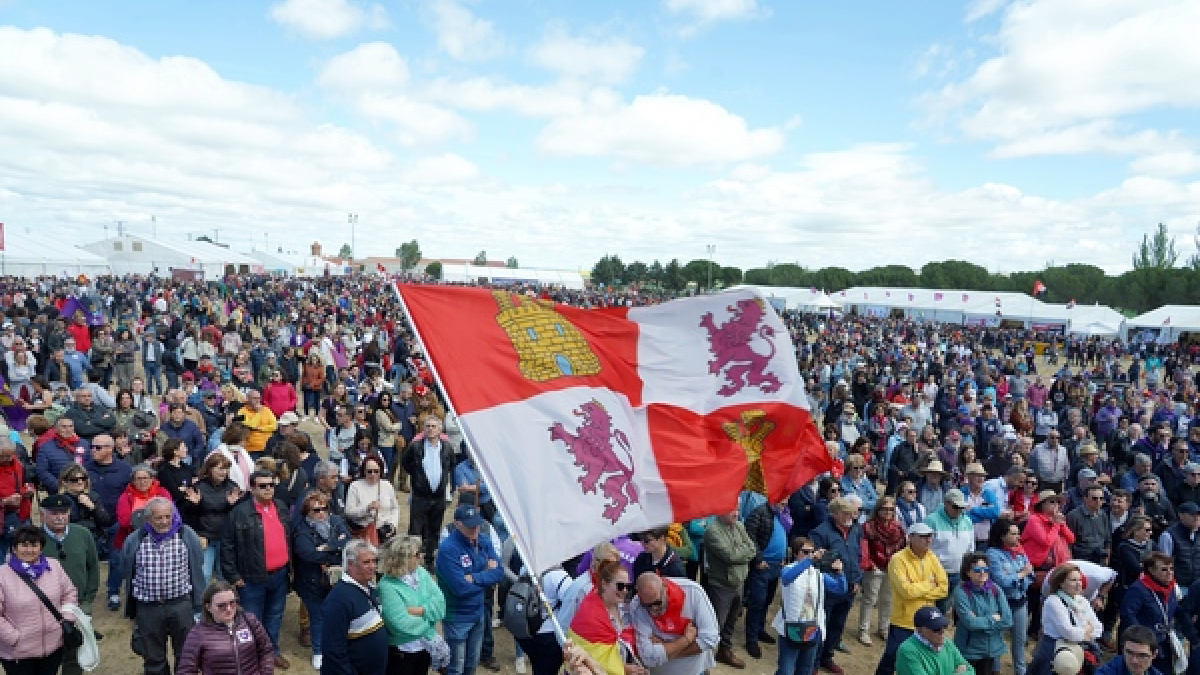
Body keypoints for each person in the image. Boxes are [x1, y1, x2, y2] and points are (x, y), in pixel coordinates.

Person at [122, 497, 207, 675]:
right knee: (153, 658)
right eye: (158, 518)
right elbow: (128, 570)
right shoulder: (135, 540)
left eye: (168, 517)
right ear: (148, 519)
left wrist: (198, 603)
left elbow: (197, 566)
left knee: (186, 655)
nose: (164, 522)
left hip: (180, 604)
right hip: (148, 608)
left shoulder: (186, 535)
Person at [220, 470, 293, 670]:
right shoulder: (239, 512)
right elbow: (227, 545)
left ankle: (272, 652)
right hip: (251, 577)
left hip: (279, 574)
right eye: (262, 485)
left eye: (271, 485)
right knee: (252, 620)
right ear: (252, 488)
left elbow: (289, 538)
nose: (268, 489)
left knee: (275, 617)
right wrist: (233, 576)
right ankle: (252, 657)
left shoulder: (281, 507)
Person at [0, 525, 79, 675]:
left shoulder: (54, 566)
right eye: (24, 545)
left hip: (52, 645)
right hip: (18, 652)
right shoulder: (2, 575)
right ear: (14, 548)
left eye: (34, 545)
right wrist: (14, 638)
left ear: (41, 548)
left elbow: (69, 593)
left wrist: (67, 619)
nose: (29, 550)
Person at [436, 503, 504, 675]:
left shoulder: (484, 540)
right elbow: (460, 588)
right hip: (457, 616)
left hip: (478, 613)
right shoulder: (448, 549)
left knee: (471, 665)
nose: (475, 528)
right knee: (455, 668)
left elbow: (499, 573)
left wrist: (474, 577)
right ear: (457, 524)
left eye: (477, 524)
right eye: (469, 525)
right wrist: (486, 573)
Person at [874, 522, 948, 675]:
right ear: (910, 538)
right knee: (892, 658)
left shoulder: (931, 557)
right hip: (904, 621)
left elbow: (944, 588)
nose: (928, 540)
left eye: (930, 536)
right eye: (923, 537)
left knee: (922, 659)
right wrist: (929, 584)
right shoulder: (898, 560)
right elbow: (906, 591)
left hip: (927, 620)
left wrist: (918, 589)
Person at [40, 493, 99, 675]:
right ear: (42, 514)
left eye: (64, 512)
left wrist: (88, 601)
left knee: (74, 653)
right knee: (46, 656)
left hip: (76, 607)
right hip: (43, 610)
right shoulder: (33, 539)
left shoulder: (82, 534)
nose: (59, 516)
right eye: (54, 513)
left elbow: (93, 568)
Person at [292, 490, 352, 670]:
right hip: (312, 582)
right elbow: (307, 554)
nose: (321, 513)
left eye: (324, 509)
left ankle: (338, 648)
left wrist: (326, 548)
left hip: (337, 581)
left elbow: (347, 541)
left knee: (339, 616)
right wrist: (335, 550)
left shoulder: (335, 521)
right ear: (307, 512)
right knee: (317, 618)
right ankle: (318, 651)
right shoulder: (302, 530)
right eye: (315, 510)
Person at [772, 537, 848, 675]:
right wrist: (809, 561)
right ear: (796, 553)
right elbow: (787, 578)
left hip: (812, 628)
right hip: (791, 627)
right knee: (786, 670)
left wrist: (840, 572)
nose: (810, 555)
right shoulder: (788, 569)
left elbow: (840, 589)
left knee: (805, 670)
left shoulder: (817, 574)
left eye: (812, 552)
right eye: (805, 552)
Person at [379, 535, 447, 675]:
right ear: (402, 558)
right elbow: (401, 624)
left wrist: (421, 610)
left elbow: (440, 604)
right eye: (417, 554)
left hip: (425, 647)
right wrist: (430, 620)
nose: (421, 556)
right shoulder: (387, 586)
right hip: (403, 654)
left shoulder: (421, 573)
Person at [629, 570, 720, 675]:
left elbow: (711, 639)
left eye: (657, 602)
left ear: (665, 588)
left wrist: (665, 647)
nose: (653, 608)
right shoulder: (637, 606)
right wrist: (686, 640)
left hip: (696, 670)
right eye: (647, 605)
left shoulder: (693, 591)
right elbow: (648, 657)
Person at [176, 579, 275, 675]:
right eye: (221, 605)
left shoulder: (250, 621)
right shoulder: (197, 633)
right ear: (208, 607)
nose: (229, 609)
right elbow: (186, 670)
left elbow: (266, 651)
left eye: (232, 603)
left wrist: (266, 672)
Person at [322, 539, 388, 675]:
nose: (373, 566)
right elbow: (333, 650)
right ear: (351, 564)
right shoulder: (339, 599)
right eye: (366, 562)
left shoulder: (369, 587)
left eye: (374, 561)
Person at [567, 559, 643, 675]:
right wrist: (623, 668)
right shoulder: (590, 616)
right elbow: (588, 659)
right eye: (620, 586)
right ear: (604, 584)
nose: (625, 591)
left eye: (628, 586)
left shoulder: (623, 607)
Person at [703, 509, 757, 669]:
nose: (737, 513)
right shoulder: (712, 531)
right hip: (721, 585)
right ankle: (703, 661)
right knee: (715, 625)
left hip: (739, 582)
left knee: (731, 621)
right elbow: (729, 556)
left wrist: (740, 552)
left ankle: (724, 651)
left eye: (739, 509)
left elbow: (752, 548)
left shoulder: (739, 526)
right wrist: (743, 552)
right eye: (732, 509)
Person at [1028, 565, 1103, 675]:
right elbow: (1068, 632)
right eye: (1073, 580)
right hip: (1054, 650)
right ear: (1061, 583)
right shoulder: (1053, 601)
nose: (1079, 584)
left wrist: (1082, 633)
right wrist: (1085, 630)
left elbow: (1098, 628)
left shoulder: (1082, 601)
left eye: (1080, 580)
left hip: (1079, 650)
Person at [181, 452, 241, 584]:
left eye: (226, 468)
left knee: (223, 575)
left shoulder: (232, 487)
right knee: (204, 574)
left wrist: (232, 505)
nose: (223, 472)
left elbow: (238, 516)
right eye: (220, 468)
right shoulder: (199, 487)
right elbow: (188, 515)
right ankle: (202, 602)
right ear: (210, 469)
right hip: (205, 537)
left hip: (225, 538)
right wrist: (194, 505)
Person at [403, 418, 455, 569]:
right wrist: (418, 479)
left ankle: (430, 559)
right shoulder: (416, 447)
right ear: (423, 429)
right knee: (415, 529)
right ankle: (412, 559)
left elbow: (451, 465)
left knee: (434, 528)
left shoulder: (446, 448)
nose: (430, 429)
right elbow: (406, 464)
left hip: (438, 497)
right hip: (421, 496)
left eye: (434, 426)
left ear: (440, 430)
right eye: (428, 426)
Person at [1119, 552, 1181, 675]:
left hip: (1164, 642)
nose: (1170, 572)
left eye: (1171, 569)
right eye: (1164, 569)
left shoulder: (1170, 587)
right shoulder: (1138, 589)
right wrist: (1141, 638)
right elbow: (1128, 614)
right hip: (1142, 645)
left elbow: (1173, 608)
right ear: (1151, 570)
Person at [986, 518, 1034, 675]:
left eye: (1018, 533)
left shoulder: (1020, 551)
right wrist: (1021, 574)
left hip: (1019, 601)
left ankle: (1020, 672)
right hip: (999, 603)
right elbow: (1001, 580)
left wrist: (1017, 577)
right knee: (996, 641)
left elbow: (1030, 575)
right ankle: (995, 671)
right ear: (1002, 536)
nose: (1018, 537)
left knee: (1019, 642)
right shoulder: (992, 554)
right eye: (1013, 534)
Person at [741, 496, 787, 658]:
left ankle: (760, 630)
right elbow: (750, 537)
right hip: (763, 566)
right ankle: (751, 639)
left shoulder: (782, 514)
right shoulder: (758, 513)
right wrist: (758, 559)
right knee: (757, 602)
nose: (785, 501)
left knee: (767, 600)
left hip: (776, 566)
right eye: (782, 498)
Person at [952, 552, 1012, 675]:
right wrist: (993, 619)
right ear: (968, 572)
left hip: (992, 650)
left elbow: (1008, 620)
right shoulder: (961, 592)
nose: (982, 572)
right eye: (977, 569)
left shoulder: (995, 589)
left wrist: (980, 622)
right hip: (969, 651)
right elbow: (970, 623)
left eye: (985, 569)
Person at [861, 496, 905, 645]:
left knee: (888, 600)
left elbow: (902, 548)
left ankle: (884, 628)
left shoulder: (898, 528)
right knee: (870, 599)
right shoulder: (868, 526)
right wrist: (869, 564)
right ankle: (863, 630)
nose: (888, 512)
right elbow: (864, 547)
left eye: (891, 509)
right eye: (885, 509)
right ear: (878, 509)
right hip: (874, 567)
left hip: (892, 567)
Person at [927, 489, 975, 611]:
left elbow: (971, 547)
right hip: (937, 574)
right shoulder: (931, 521)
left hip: (959, 573)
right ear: (946, 503)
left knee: (948, 607)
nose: (959, 510)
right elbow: (924, 549)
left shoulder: (968, 521)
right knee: (936, 607)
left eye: (961, 507)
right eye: (955, 506)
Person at [895, 606, 974, 675]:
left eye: (944, 626)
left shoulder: (947, 644)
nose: (942, 631)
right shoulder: (907, 651)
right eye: (936, 628)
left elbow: (971, 670)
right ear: (920, 630)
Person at [344, 455, 400, 543]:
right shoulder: (355, 486)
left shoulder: (387, 485)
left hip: (386, 531)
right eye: (369, 471)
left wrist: (392, 525)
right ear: (364, 471)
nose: (373, 474)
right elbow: (349, 512)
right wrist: (367, 508)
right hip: (365, 531)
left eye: (376, 471)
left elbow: (395, 508)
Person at [1095, 626, 1162, 675]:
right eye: (1129, 653)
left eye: (1142, 655)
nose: (1134, 660)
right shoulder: (1108, 671)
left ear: (1154, 654)